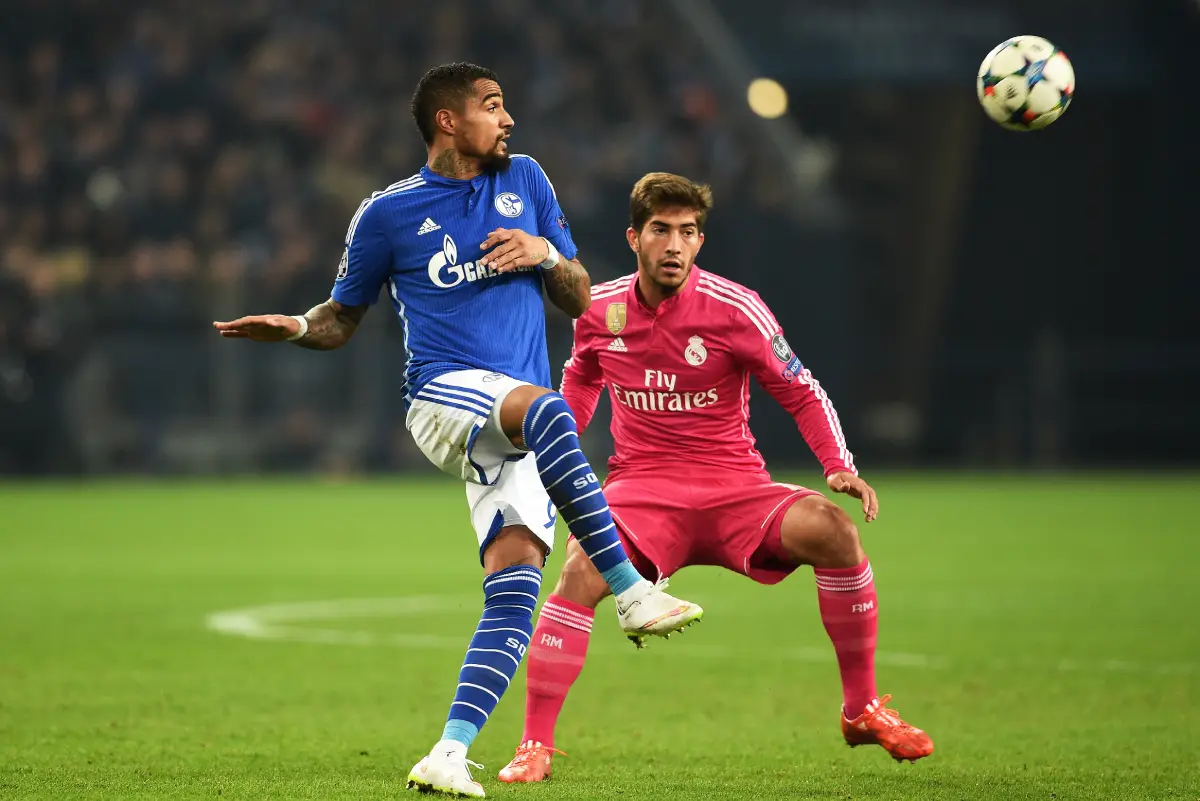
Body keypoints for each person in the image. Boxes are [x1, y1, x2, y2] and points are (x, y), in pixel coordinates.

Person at [212, 65, 702, 798]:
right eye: (493, 105)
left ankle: (448, 751)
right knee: (551, 411)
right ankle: (630, 588)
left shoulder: (528, 181)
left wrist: (544, 255)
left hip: (516, 419)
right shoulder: (387, 214)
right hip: (443, 398)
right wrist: (293, 326)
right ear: (448, 121)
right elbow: (340, 318)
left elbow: (576, 295)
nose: (508, 119)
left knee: (514, 590)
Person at [496, 172, 934, 784]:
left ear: (700, 241)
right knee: (578, 572)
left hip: (736, 490)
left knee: (835, 533)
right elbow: (583, 378)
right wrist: (557, 440)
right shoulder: (599, 308)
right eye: (661, 231)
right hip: (641, 492)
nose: (674, 245)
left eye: (688, 232)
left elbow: (800, 390)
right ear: (634, 238)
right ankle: (533, 745)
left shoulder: (736, 308)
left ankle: (861, 709)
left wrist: (839, 467)